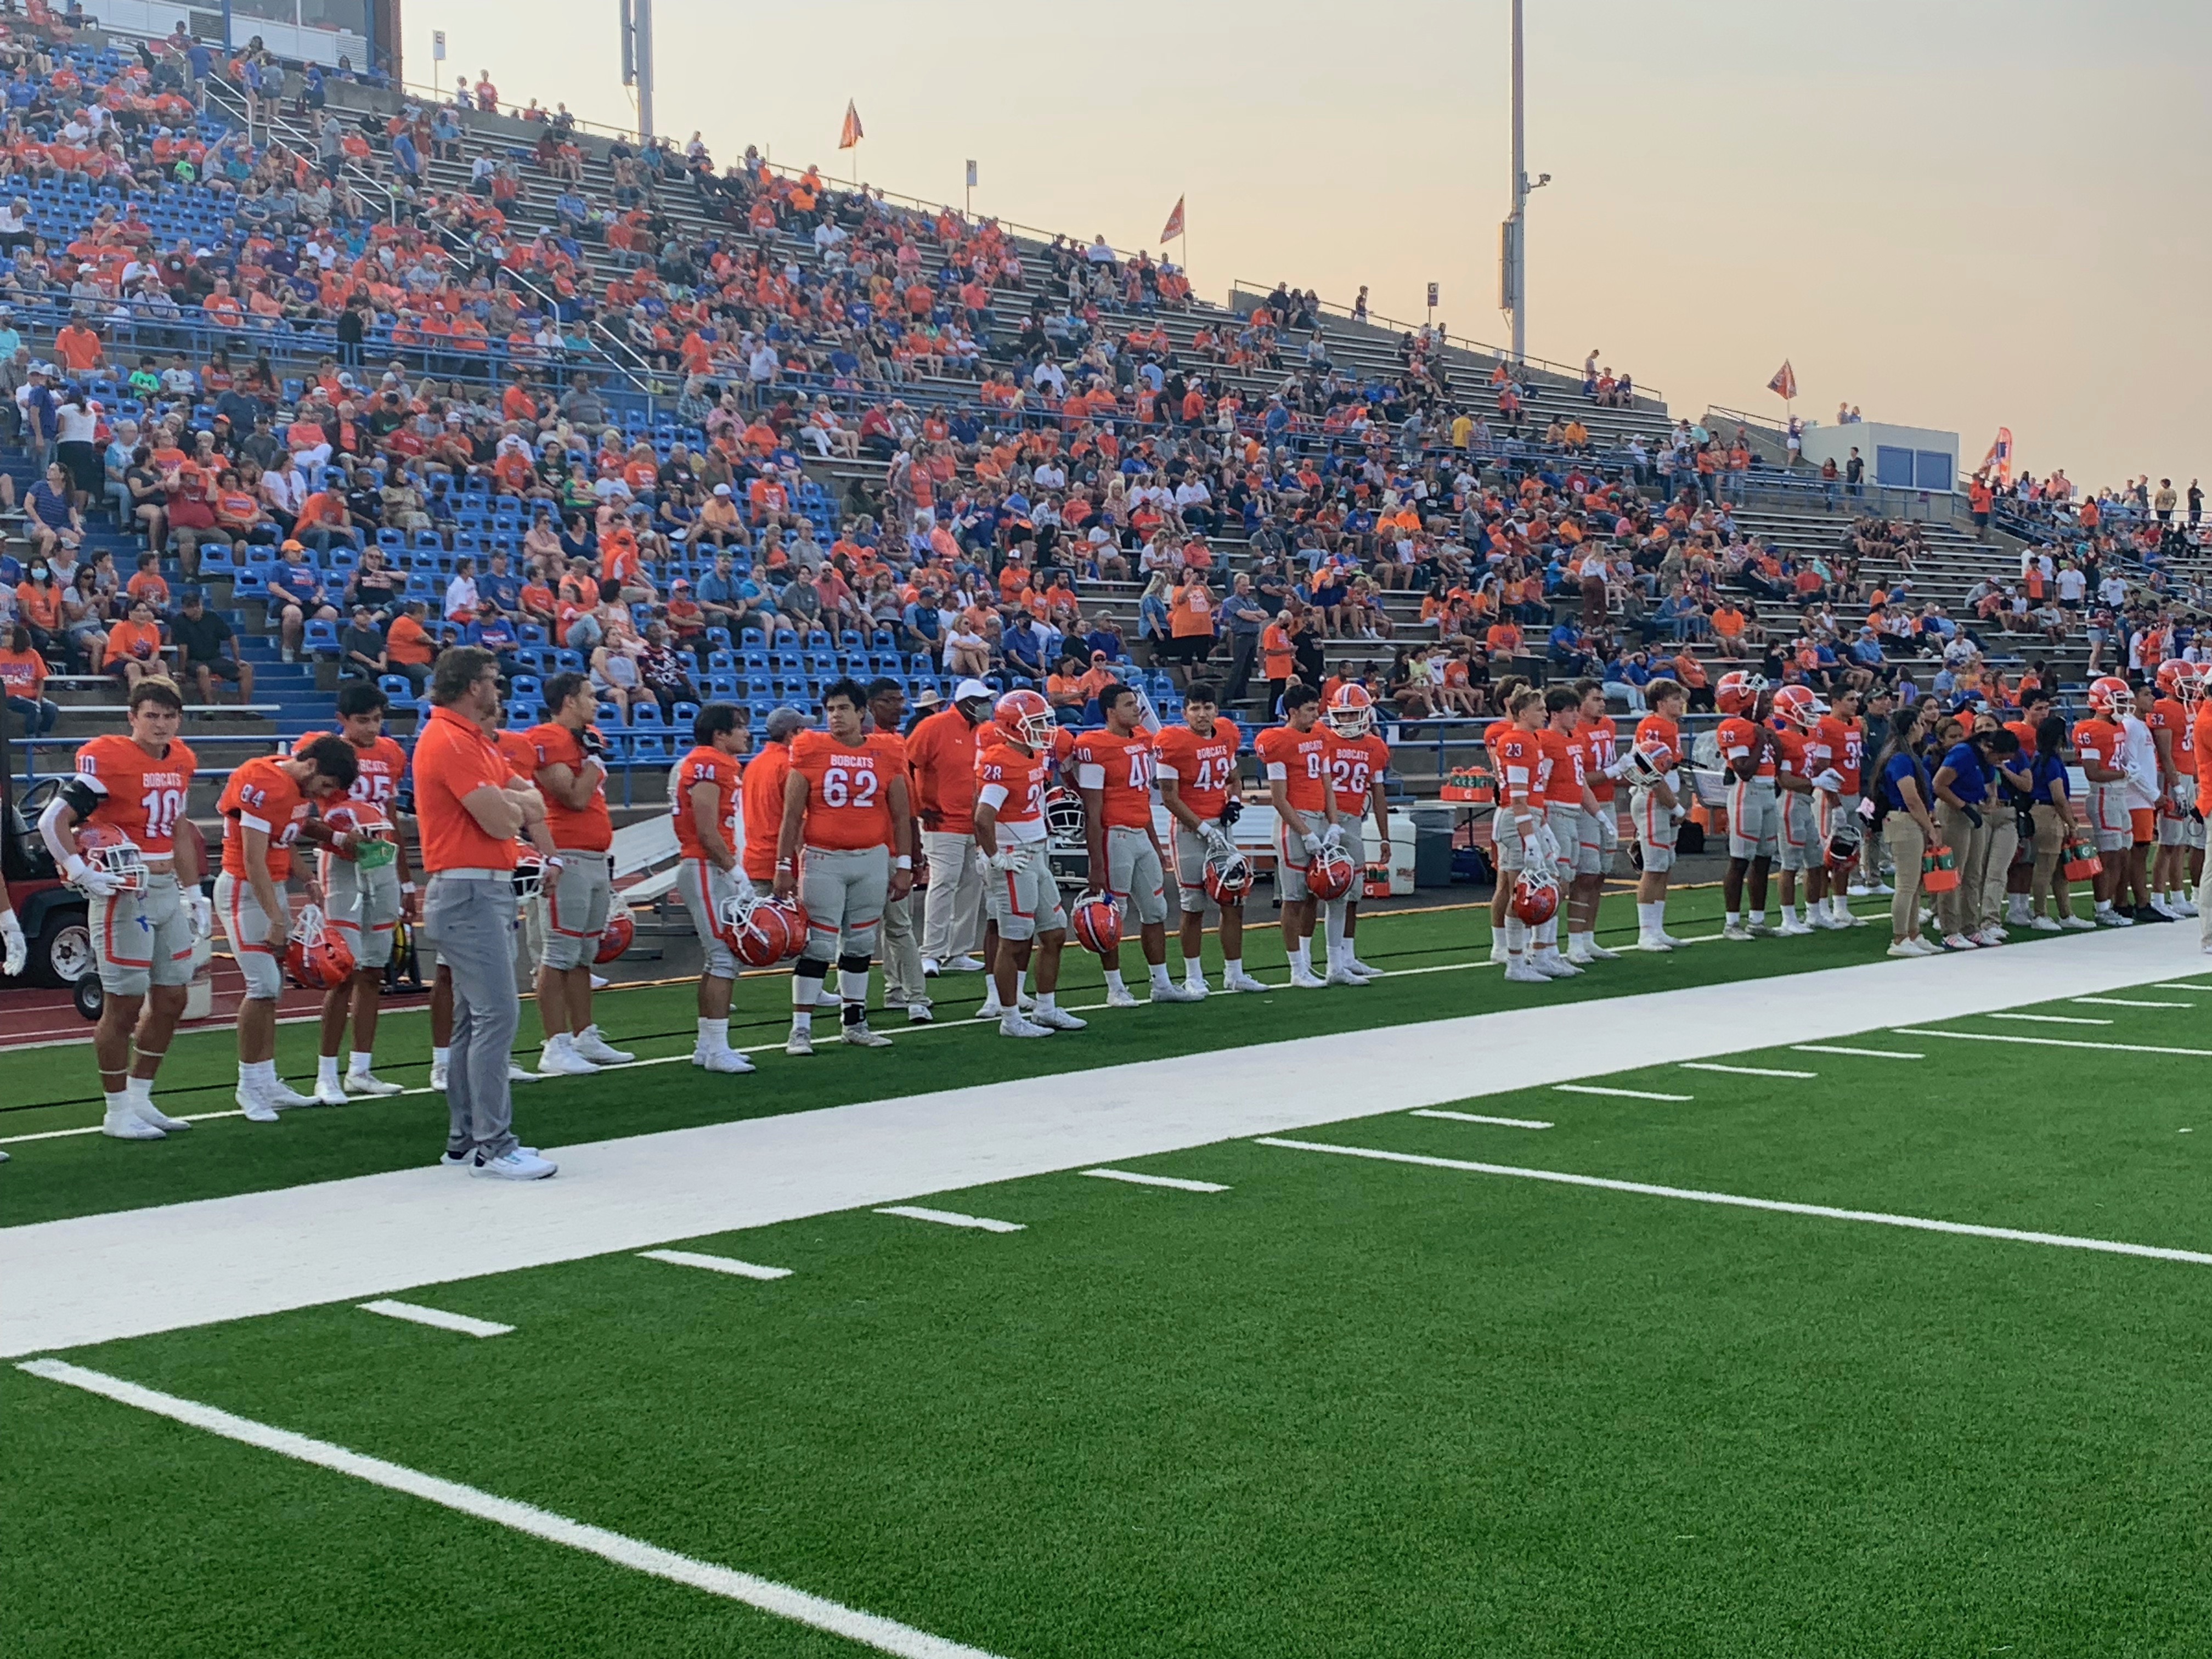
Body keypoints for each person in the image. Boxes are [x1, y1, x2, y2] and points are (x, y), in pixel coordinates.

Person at [37, 678, 206, 1138]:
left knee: (174, 998)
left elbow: (178, 829)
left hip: (168, 886)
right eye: (151, 715)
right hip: (124, 891)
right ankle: (115, 1112)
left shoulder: (183, 759)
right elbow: (53, 818)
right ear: (132, 717)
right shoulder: (109, 757)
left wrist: (195, 892)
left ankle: (140, 1098)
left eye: (169, 716)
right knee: (124, 1005)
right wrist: (77, 868)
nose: (160, 724)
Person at [413, 646, 558, 1177]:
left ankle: (466, 1137)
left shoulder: (468, 740)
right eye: (493, 680)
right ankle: (492, 1144)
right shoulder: (451, 741)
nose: (499, 690)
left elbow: (531, 802)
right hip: (470, 888)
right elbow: (503, 821)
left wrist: (511, 802)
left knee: (475, 1021)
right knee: (497, 1015)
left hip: (480, 888)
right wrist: (512, 803)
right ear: (474, 685)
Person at [213, 735, 359, 1119]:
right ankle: (248, 1086)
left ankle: (266, 1079)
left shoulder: (287, 780)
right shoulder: (268, 784)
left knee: (273, 990)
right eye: (326, 784)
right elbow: (253, 856)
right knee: (261, 986)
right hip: (245, 888)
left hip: (269, 886)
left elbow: (288, 833)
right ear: (311, 766)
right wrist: (277, 918)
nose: (324, 793)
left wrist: (307, 876)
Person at [775, 677, 912, 1053]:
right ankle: (800, 1029)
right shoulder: (810, 748)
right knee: (818, 946)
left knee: (861, 942)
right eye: (830, 709)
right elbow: (791, 815)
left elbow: (902, 815)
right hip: (824, 858)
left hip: (871, 857)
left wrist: (905, 864)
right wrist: (783, 864)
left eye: (843, 708)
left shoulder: (887, 751)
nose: (835, 716)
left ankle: (855, 1023)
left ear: (862, 712)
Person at [302, 682, 414, 1103]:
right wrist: (340, 838)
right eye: (363, 720)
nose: (372, 727)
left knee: (373, 968)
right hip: (343, 859)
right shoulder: (322, 750)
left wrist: (405, 879)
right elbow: (309, 806)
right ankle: (326, 1072)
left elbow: (389, 815)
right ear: (343, 721)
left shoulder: (390, 754)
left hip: (380, 856)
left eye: (377, 719)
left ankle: (361, 1068)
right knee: (342, 968)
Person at [526, 670, 635, 1076]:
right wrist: (592, 762)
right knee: (559, 953)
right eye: (589, 695)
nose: (596, 702)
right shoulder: (548, 738)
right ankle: (554, 1045)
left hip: (593, 855)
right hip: (565, 853)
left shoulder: (587, 737)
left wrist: (590, 756)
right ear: (569, 701)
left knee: (585, 954)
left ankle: (584, 1034)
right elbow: (572, 796)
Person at [1073, 684, 1200, 1007]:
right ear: (1111, 712)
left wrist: (1155, 845)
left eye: (1135, 703)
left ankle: (1161, 983)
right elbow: (1093, 810)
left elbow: (1142, 799)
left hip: (1141, 834)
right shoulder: (1095, 747)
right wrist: (1096, 864)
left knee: (1156, 911)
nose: (1136, 709)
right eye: (1128, 704)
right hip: (1113, 836)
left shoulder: (1143, 741)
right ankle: (1115, 987)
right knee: (1112, 916)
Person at [973, 690, 1086, 1039]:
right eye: (1037, 723)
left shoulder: (1035, 755)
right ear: (1012, 727)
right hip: (1014, 857)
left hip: (1036, 852)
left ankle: (1046, 1008)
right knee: (1014, 940)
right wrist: (995, 858)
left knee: (1053, 933)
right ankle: (1010, 1019)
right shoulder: (1001, 760)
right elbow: (982, 817)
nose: (1046, 729)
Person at [1155, 679, 1265, 995]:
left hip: (1223, 828)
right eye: (1195, 709)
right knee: (1193, 905)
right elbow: (1170, 798)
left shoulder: (1226, 734)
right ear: (1184, 712)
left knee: (1234, 900)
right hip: (1191, 831)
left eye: (1207, 708)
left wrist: (1233, 801)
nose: (1201, 715)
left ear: (1216, 710)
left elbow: (1233, 777)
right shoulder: (1173, 743)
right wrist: (1205, 829)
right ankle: (1193, 975)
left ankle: (1235, 973)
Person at [671, 701, 757, 1075]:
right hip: (705, 866)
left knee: (716, 958)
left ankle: (707, 1046)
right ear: (720, 734)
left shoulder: (717, 762)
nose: (746, 733)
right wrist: (733, 869)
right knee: (724, 957)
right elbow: (706, 829)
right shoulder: (710, 763)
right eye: (738, 727)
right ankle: (718, 1047)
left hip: (707, 865)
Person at [1255, 683, 1342, 989]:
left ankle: (1307, 962)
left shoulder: (1320, 736)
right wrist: (1305, 833)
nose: (1316, 713)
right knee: (1293, 898)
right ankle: (1296, 968)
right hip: (1295, 823)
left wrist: (1334, 823)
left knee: (1313, 896)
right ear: (1292, 712)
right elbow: (1279, 798)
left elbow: (1327, 784)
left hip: (1319, 819)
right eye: (1308, 709)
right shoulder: (1278, 742)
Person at [906, 678, 994, 974]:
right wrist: (920, 807)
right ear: (966, 702)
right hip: (942, 821)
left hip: (973, 822)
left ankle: (958, 951)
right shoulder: (934, 726)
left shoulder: (981, 731)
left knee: (971, 885)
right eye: (981, 701)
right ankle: (931, 951)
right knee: (944, 883)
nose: (986, 706)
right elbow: (908, 764)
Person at [865, 678, 932, 1023]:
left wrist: (914, 854)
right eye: (890, 701)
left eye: (900, 699)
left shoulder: (896, 743)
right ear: (873, 705)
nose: (900, 706)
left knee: (897, 924)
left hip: (891, 847)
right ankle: (896, 992)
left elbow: (909, 809)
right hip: (868, 848)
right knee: (870, 928)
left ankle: (907, 992)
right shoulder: (877, 746)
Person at [1320, 683, 1392, 983]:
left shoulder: (1374, 746)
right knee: (1330, 891)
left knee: (1353, 892)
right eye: (1344, 715)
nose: (1348, 721)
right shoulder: (1323, 739)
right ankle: (1329, 961)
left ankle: (1347, 957)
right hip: (1325, 820)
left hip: (1354, 822)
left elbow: (1378, 793)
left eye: (1354, 715)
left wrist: (1385, 835)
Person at [1489, 686, 1559, 984]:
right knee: (1524, 891)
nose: (1545, 713)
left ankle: (1538, 954)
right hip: (1519, 819)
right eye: (1540, 709)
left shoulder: (1529, 740)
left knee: (1544, 881)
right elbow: (1517, 799)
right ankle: (1516, 962)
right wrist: (1530, 838)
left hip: (1530, 817)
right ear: (1522, 713)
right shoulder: (1516, 741)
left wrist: (1541, 829)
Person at [1870, 702, 1942, 956]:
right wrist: (1930, 826)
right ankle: (1900, 938)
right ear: (1912, 726)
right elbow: (1910, 798)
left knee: (1914, 884)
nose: (1923, 728)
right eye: (1920, 723)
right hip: (1904, 820)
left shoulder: (1906, 754)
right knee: (1907, 884)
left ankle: (1913, 932)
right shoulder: (1900, 758)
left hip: (1908, 820)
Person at [1626, 678, 1690, 951]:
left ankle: (1657, 928)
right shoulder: (1653, 726)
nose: (1681, 703)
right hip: (1654, 797)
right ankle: (1646, 932)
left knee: (1664, 865)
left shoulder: (1669, 725)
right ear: (1661, 703)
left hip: (1664, 795)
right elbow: (1649, 768)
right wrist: (1674, 805)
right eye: (1675, 699)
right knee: (1653, 866)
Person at [1715, 671, 1780, 940]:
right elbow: (1743, 770)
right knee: (1741, 859)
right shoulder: (1733, 727)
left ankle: (1757, 919)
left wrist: (1771, 741)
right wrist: (1762, 740)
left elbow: (1776, 759)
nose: (1768, 703)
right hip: (1747, 793)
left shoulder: (1764, 725)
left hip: (1767, 793)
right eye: (1762, 698)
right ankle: (1732, 923)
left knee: (1765, 858)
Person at [1566, 679, 1622, 963]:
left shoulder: (1608, 726)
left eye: (1603, 699)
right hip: (1585, 806)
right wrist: (1614, 770)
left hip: (1608, 801)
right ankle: (1574, 941)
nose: (1602, 704)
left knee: (1601, 873)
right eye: (1596, 699)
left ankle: (1588, 938)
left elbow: (1609, 770)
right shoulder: (1575, 732)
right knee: (1585, 874)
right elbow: (1579, 779)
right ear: (1580, 703)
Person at [2074, 676, 2138, 928]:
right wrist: (2124, 773)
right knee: (2109, 856)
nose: (2124, 706)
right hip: (2103, 795)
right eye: (2119, 701)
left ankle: (2110, 905)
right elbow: (2093, 772)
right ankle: (2102, 908)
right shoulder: (2091, 729)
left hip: (2119, 795)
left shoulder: (2117, 727)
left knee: (2122, 854)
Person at [1804, 686, 1869, 930]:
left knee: (1847, 855)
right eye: (1850, 699)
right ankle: (1821, 908)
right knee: (1826, 854)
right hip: (1832, 796)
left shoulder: (1854, 725)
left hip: (1853, 793)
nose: (1855, 704)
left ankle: (1841, 908)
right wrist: (1835, 802)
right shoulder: (1826, 726)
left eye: (1856, 699)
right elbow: (1821, 767)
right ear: (1835, 701)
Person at [2023, 713, 2093, 930]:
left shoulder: (2039, 759)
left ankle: (2065, 913)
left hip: (2043, 812)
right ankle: (2040, 914)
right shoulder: (2051, 762)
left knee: (2061, 868)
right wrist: (2072, 823)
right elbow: (2059, 797)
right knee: (2045, 867)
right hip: (2047, 814)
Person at [2147, 660, 2205, 919]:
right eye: (2187, 683)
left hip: (2188, 775)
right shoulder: (2163, 708)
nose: (2192, 688)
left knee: (2181, 841)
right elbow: (2166, 753)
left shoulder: (2187, 707)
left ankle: (2178, 896)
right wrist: (2178, 787)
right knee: (2168, 841)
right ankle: (2159, 896)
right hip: (2173, 778)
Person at [1768, 685, 1826, 936]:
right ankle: (1788, 917)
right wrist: (1816, 782)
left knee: (1816, 861)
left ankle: (1814, 914)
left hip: (1806, 803)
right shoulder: (1784, 739)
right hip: (1791, 802)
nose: (1811, 713)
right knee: (1790, 863)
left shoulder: (1809, 734)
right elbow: (1785, 779)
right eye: (1806, 708)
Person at [172, 588, 256, 707]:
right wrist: (182, 671)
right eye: (191, 606)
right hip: (193, 661)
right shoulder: (179, 621)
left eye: (197, 605)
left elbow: (231, 637)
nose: (195, 609)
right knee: (203, 670)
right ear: (184, 608)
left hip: (215, 659)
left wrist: (237, 659)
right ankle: (209, 706)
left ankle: (245, 707)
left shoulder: (212, 617)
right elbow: (182, 649)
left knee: (246, 670)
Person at [0, 624, 57, 737]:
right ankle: (30, 742)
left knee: (52, 709)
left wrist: (39, 700)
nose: (3, 638)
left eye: (8, 635)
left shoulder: (33, 654)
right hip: (9, 696)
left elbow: (41, 680)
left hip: (30, 695)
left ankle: (42, 741)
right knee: (33, 708)